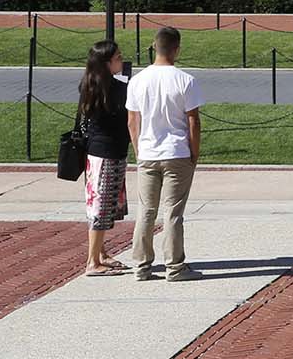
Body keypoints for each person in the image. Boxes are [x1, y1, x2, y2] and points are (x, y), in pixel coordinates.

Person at [125, 25, 202, 282]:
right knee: (173, 212)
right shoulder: (185, 80)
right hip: (176, 152)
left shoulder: (137, 80)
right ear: (177, 49)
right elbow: (193, 121)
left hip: (148, 152)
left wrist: (139, 150)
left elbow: (132, 121)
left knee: (146, 211)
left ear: (154, 47)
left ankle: (141, 266)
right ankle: (175, 266)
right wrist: (194, 152)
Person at [75, 40, 131, 277]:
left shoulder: (90, 85)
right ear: (107, 63)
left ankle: (101, 253)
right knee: (101, 207)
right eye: (118, 57)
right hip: (107, 153)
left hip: (97, 152)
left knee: (103, 205)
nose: (121, 60)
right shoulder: (114, 90)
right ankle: (92, 261)